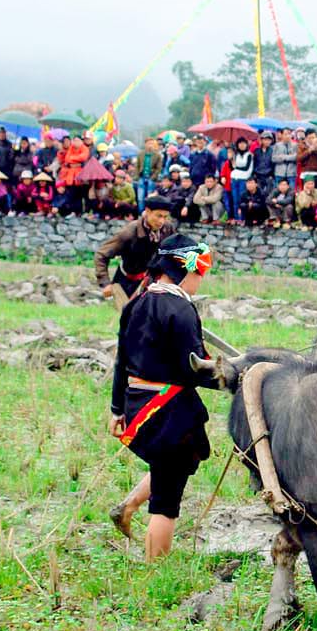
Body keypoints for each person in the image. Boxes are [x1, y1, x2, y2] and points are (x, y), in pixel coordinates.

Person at [107, 235, 217, 559]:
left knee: (185, 457)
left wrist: (116, 410)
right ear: (185, 268)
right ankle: (156, 572)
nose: (201, 279)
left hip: (139, 402)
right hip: (168, 411)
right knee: (167, 499)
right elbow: (193, 368)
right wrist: (231, 378)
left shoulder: (136, 304)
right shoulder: (181, 309)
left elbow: (120, 362)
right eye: (201, 270)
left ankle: (127, 506)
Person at [94, 196, 177, 309]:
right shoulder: (129, 232)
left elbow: (174, 252)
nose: (162, 221)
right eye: (159, 216)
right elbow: (101, 255)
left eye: (165, 217)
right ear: (147, 211)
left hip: (150, 280)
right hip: (125, 281)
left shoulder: (167, 229)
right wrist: (105, 283)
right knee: (123, 315)